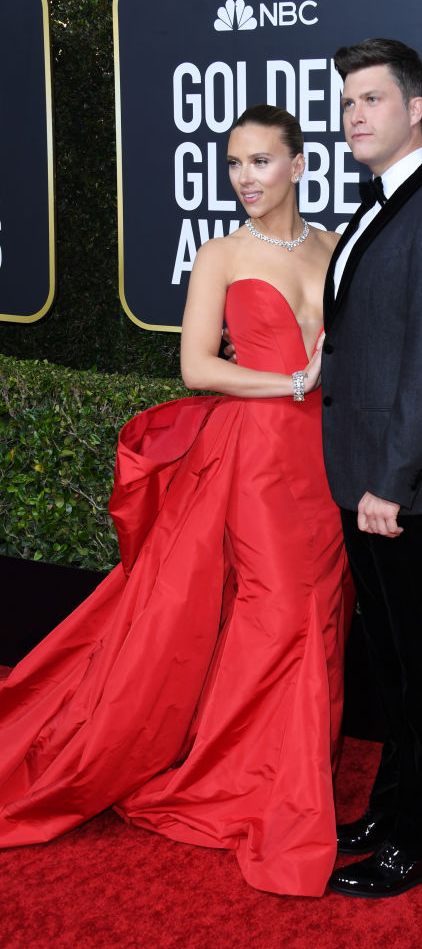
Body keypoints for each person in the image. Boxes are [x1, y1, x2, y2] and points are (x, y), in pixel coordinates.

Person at [0, 104, 353, 898]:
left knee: (322, 609)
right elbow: (197, 367)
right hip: (259, 455)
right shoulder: (221, 255)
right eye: (234, 165)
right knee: (279, 608)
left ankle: (279, 772)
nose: (245, 179)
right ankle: (258, 786)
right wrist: (291, 381)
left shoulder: (334, 247)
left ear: (298, 165)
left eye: (260, 162)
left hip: (324, 459)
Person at [321, 39, 422, 898]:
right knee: (388, 661)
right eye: (347, 101)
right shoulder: (375, 207)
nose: (355, 115)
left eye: (373, 99)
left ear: (414, 109)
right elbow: (367, 339)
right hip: (364, 480)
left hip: (405, 489)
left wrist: (389, 482)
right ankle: (393, 806)